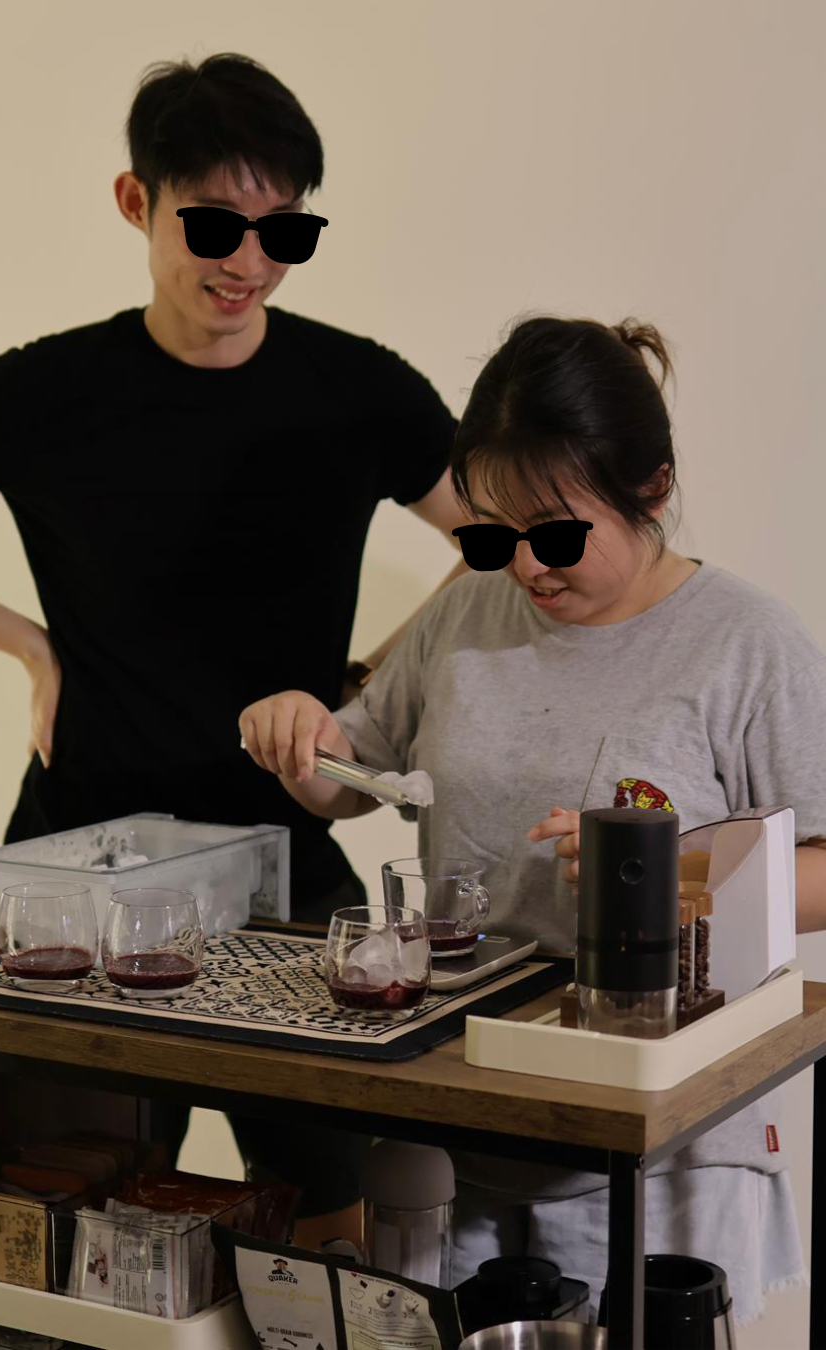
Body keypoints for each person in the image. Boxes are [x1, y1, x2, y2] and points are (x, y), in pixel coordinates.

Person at [0, 53, 468, 1243]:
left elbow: (509, 545)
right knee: (52, 1220)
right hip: (77, 872)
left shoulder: (361, 392)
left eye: (282, 233)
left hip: (283, 861)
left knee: (345, 1226)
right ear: (135, 202)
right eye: (213, 224)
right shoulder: (51, 391)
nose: (247, 262)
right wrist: (27, 647)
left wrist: (359, 688)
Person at [240, 314, 826, 1322]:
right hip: (467, 1103)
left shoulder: (744, 644)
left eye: (556, 534)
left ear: (652, 486)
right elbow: (353, 772)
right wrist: (300, 733)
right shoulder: (468, 611)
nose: (524, 567)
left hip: (655, 1123)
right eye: (492, 534)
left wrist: (658, 875)